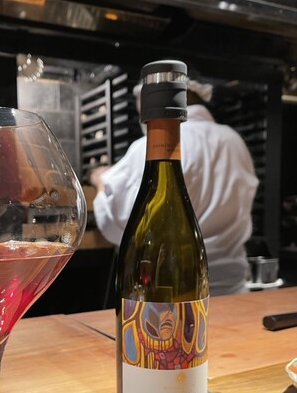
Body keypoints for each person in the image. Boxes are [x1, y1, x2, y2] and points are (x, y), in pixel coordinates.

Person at [90, 78, 259, 296]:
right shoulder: (233, 140)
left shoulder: (154, 148)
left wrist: (99, 181)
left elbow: (124, 225)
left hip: (173, 295)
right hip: (235, 291)